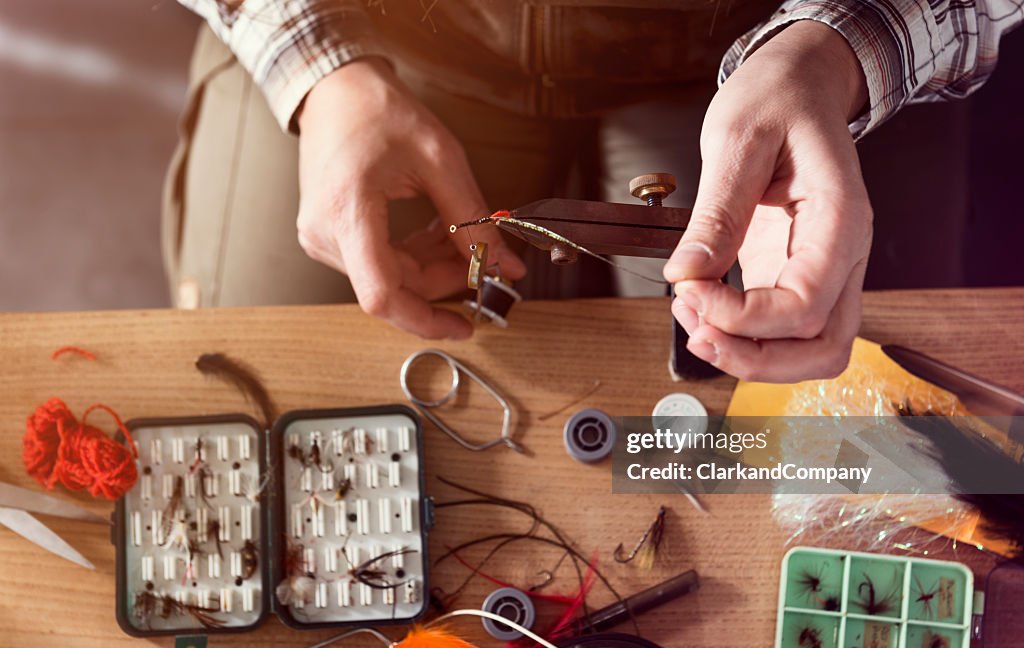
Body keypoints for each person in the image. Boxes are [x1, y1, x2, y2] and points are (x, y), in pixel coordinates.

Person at [168, 0, 1023, 382]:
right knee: (265, 378)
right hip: (377, 36)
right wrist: (317, 70)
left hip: (773, 42)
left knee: (864, 411)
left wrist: (834, 52)